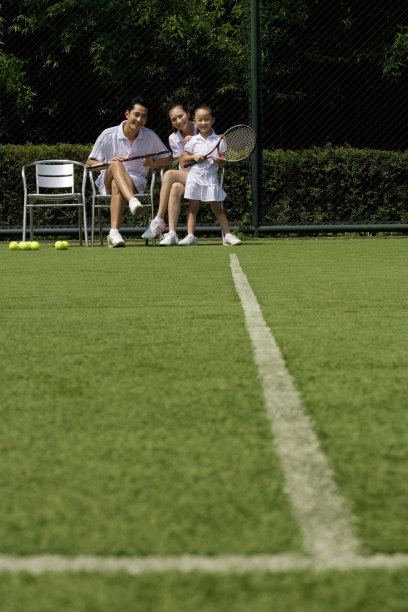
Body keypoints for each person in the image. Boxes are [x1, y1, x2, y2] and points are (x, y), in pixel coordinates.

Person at [86, 97, 172, 247]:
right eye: (136, 115)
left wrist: (154, 163)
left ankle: (114, 233)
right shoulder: (108, 134)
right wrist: (108, 164)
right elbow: (89, 163)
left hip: (135, 183)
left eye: (143, 116)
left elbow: (169, 159)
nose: (139, 119)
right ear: (127, 114)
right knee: (116, 164)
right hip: (106, 182)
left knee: (117, 184)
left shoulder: (150, 136)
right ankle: (132, 201)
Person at [180, 104, 241, 246]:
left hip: (211, 179)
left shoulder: (220, 140)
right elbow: (184, 159)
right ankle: (190, 236)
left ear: (213, 120)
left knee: (217, 208)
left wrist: (219, 160)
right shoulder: (192, 140)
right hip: (194, 178)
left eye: (206, 119)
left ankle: (228, 235)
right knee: (192, 208)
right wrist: (194, 157)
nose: (203, 123)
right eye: (199, 120)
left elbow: (224, 159)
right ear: (195, 121)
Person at [141, 103, 197, 246]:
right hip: (187, 177)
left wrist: (192, 143)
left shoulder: (201, 127)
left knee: (170, 174)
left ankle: (159, 219)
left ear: (188, 113)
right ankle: (172, 233)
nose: (178, 121)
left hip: (203, 177)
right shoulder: (173, 138)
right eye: (174, 119)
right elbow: (184, 165)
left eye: (181, 116)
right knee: (175, 187)